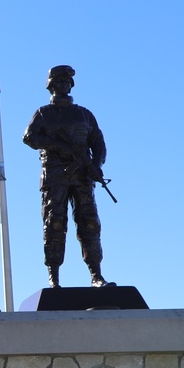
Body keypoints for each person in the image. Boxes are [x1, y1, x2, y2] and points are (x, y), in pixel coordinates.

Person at [22, 65, 109, 288]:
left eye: (66, 82)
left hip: (82, 177)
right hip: (54, 177)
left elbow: (98, 144)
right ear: (50, 86)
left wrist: (96, 165)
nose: (63, 85)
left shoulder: (84, 114)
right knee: (54, 224)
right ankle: (54, 276)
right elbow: (29, 138)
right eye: (58, 82)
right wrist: (58, 146)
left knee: (90, 224)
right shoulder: (44, 113)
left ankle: (96, 275)